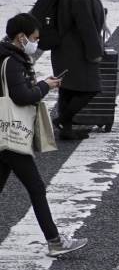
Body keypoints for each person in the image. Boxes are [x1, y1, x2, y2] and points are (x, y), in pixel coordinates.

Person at [0, 13, 86, 257]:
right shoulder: (12, 62)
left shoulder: (6, 57)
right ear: (21, 37)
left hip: (2, 133)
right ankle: (55, 241)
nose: (36, 43)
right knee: (36, 188)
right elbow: (22, 97)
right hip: (11, 135)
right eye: (34, 38)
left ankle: (55, 241)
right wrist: (44, 86)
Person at [52, 0, 106, 141]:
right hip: (77, 50)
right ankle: (62, 119)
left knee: (68, 89)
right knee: (90, 88)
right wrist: (95, 51)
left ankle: (66, 129)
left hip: (63, 49)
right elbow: (86, 26)